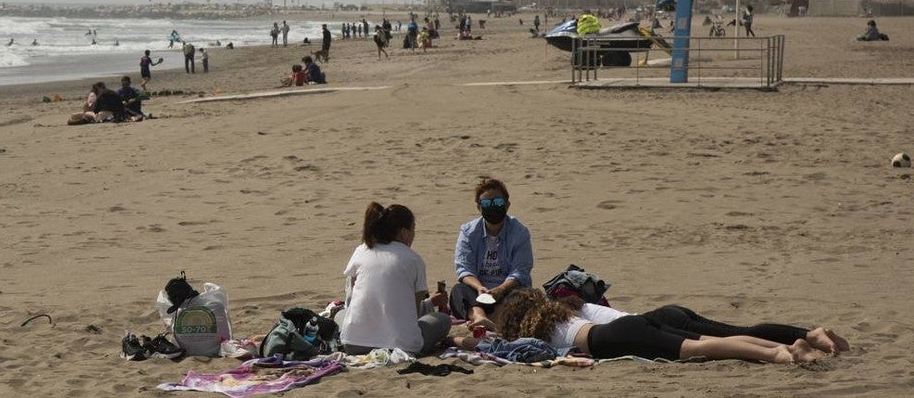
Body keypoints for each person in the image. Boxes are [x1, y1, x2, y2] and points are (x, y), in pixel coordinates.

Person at [471, 287, 834, 364]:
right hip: (633, 322)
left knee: (704, 348)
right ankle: (790, 344)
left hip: (610, 339)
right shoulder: (562, 310)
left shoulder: (532, 331)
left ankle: (783, 356)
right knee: (715, 338)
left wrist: (482, 323)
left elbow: (513, 351)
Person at [337, 202, 452, 356]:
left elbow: (351, 301)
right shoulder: (413, 259)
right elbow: (414, 311)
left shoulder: (361, 250)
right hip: (400, 346)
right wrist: (431, 303)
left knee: (340, 315)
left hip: (354, 344)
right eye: (413, 230)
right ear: (404, 233)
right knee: (443, 320)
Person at [451, 178, 533, 330]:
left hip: (508, 292)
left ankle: (495, 319)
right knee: (458, 291)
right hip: (479, 294)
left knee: (526, 294)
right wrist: (479, 287)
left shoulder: (520, 232)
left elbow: (520, 271)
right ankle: (480, 316)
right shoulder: (468, 232)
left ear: (507, 205)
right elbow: (464, 269)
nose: (493, 207)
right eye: (487, 204)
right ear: (479, 207)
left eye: (498, 202)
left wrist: (501, 289)